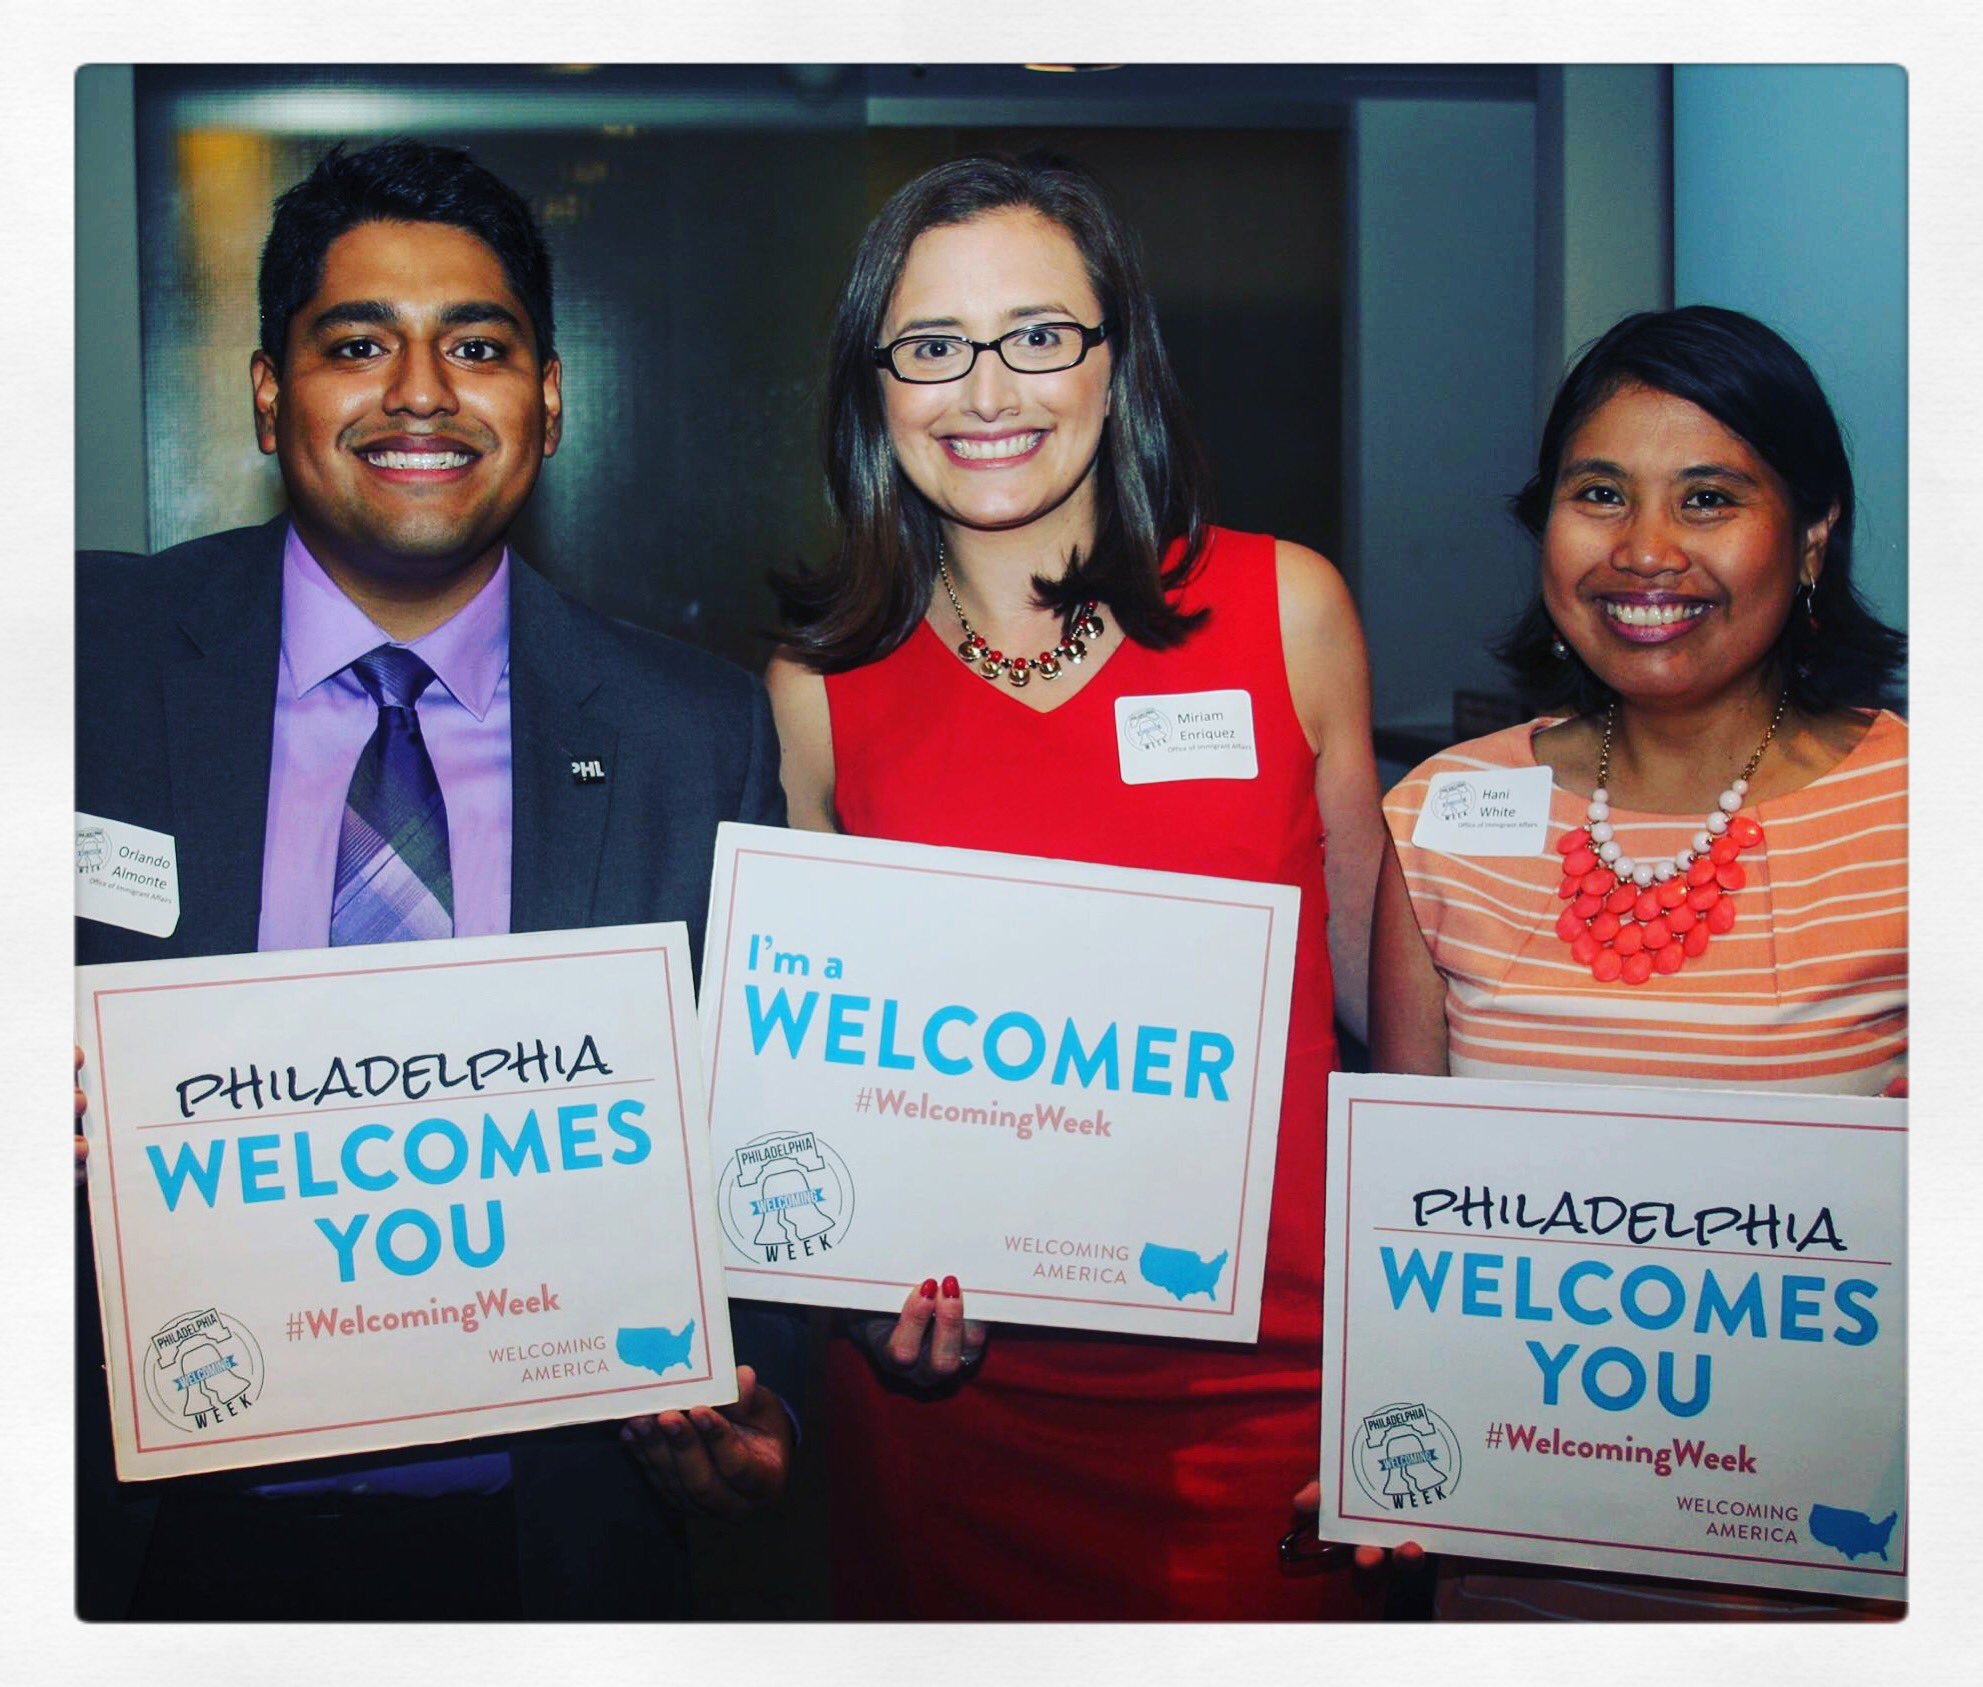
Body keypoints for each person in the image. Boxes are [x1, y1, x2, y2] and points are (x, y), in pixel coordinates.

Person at [74, 139, 802, 1620]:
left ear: (548, 399)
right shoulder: (79, 661)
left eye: (477, 345)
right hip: (132, 1540)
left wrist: (760, 1403)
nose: (421, 391)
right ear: (272, 396)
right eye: (358, 344)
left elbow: (747, 1142)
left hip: (544, 1549)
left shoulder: (691, 732)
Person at [766, 152, 1389, 1619]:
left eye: (1041, 336)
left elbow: (1388, 1006)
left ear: (1120, 362)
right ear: (876, 387)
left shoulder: (1288, 609)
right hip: (955, 1418)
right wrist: (852, 1293)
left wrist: (1427, 1356)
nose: (989, 392)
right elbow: (796, 1078)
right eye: (933, 348)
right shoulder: (820, 688)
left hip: (1275, 1390)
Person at [1371, 304, 1906, 1619]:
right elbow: (1407, 1235)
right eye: (1598, 493)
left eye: (1711, 498)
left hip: (1829, 1576)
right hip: (1512, 1564)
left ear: (1816, 532)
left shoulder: (1933, 814)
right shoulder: (1440, 812)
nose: (1646, 551)